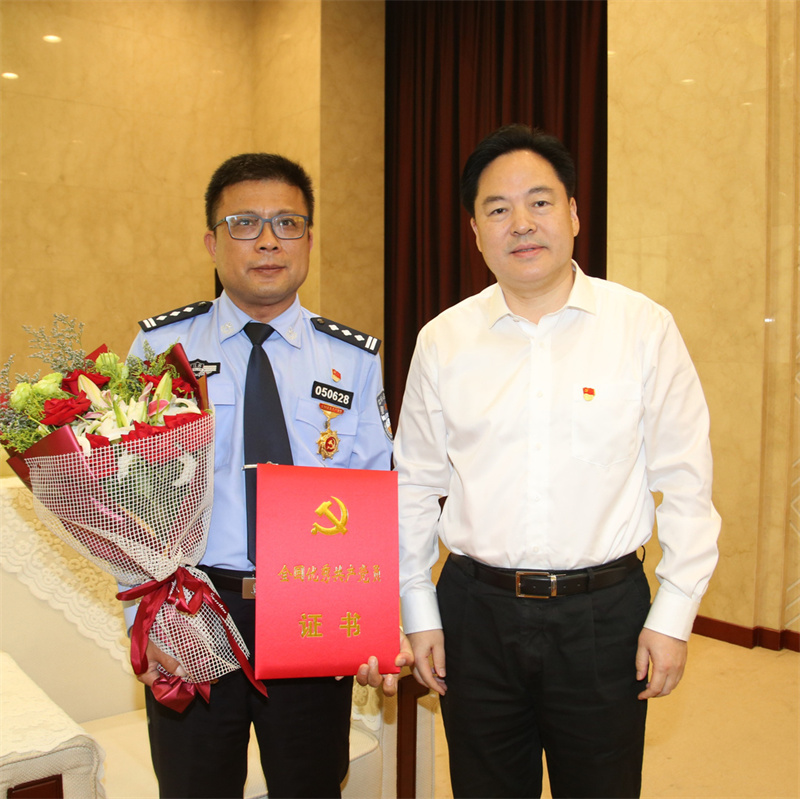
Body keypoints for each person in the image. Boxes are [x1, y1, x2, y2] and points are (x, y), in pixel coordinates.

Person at [394, 124, 721, 799]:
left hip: (603, 616)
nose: (521, 223)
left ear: (573, 214)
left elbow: (686, 483)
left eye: (540, 202)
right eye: (498, 209)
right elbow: (415, 485)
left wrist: (674, 613)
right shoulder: (443, 340)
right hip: (475, 613)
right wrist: (418, 606)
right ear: (475, 231)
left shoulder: (643, 328)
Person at [128, 152, 410, 799]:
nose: (267, 241)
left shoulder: (351, 358)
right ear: (212, 241)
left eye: (287, 222)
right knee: (194, 787)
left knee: (311, 785)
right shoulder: (162, 349)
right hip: (194, 609)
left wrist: (376, 618)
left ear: (308, 239)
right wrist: (145, 622)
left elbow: (377, 496)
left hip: (312, 605)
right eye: (244, 223)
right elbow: (129, 499)